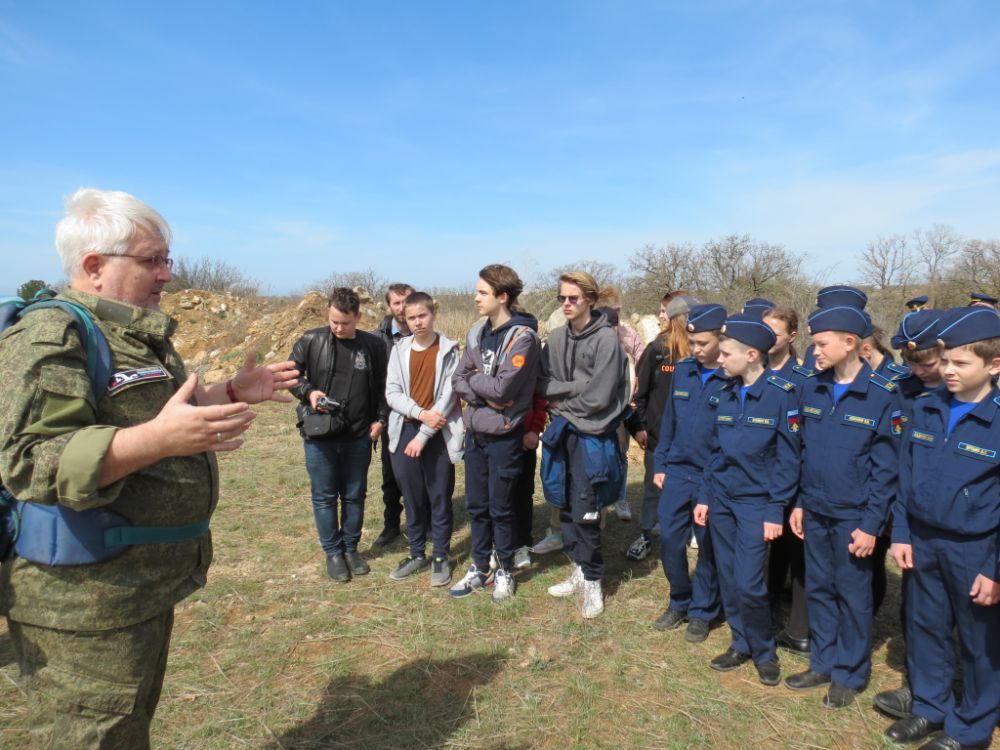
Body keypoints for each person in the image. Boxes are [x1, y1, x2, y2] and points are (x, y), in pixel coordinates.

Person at [0, 187, 299, 748]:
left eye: (168, 259)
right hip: (81, 607)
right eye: (151, 260)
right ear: (93, 267)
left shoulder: (132, 334)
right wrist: (158, 442)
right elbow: (29, 463)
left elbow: (149, 413)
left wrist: (229, 391)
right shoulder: (51, 335)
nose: (167, 274)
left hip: (133, 590)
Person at [885, 307, 1000, 749]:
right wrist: (900, 533)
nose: (948, 370)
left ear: (993, 365)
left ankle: (970, 728)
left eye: (960, 363)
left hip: (977, 548)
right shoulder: (926, 407)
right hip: (923, 540)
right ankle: (931, 708)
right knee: (926, 628)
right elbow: (905, 475)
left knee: (979, 643)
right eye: (946, 360)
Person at [785, 305, 901, 708]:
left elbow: (886, 471)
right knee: (818, 587)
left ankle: (850, 673)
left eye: (820, 343)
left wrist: (872, 525)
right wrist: (799, 502)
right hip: (815, 509)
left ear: (850, 343)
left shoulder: (883, 397)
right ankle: (823, 660)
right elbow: (803, 453)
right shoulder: (811, 388)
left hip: (854, 516)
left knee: (852, 593)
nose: (813, 350)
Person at [693, 313, 800, 686]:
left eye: (725, 354)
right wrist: (705, 495)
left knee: (750, 582)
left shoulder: (782, 396)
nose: (719, 360)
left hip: (757, 503)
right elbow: (715, 453)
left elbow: (789, 460)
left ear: (752, 354)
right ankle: (741, 643)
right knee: (728, 576)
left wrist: (776, 510)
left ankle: (764, 651)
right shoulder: (725, 393)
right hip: (722, 498)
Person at [540, 272, 630, 618]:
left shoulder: (607, 340)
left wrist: (565, 400)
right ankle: (578, 567)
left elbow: (602, 395)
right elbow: (543, 384)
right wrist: (573, 388)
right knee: (564, 502)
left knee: (587, 507)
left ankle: (594, 580)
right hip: (563, 430)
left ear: (590, 301)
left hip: (593, 434)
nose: (566, 303)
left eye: (573, 298)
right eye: (562, 297)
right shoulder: (557, 337)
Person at [871, 307, 946, 722]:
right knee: (920, 609)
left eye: (928, 362)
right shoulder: (899, 388)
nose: (919, 370)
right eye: (911, 361)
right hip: (909, 508)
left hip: (964, 521)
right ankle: (922, 690)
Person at [450, 265, 540, 601]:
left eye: (482, 293)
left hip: (505, 436)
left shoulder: (523, 338)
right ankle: (479, 567)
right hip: (476, 434)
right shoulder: (477, 333)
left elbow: (505, 391)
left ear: (502, 297)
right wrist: (482, 388)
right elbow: (459, 379)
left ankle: (504, 569)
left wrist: (483, 388)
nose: (475, 298)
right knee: (476, 506)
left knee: (501, 508)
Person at [290, 288, 389, 583]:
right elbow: (291, 374)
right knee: (324, 497)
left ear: (358, 317)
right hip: (320, 436)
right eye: (333, 321)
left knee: (355, 496)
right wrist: (309, 392)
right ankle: (333, 552)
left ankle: (350, 549)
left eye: (345, 322)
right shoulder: (311, 340)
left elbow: (385, 386)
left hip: (359, 435)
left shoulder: (373, 345)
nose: (338, 327)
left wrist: (380, 419)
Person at [651, 303, 728, 642]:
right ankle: (679, 598)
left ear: (721, 338)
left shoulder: (732, 377)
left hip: (712, 475)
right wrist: (661, 462)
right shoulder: (683, 370)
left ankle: (703, 610)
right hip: (678, 471)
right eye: (693, 343)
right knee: (669, 538)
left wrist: (713, 483)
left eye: (703, 344)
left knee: (708, 545)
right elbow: (670, 419)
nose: (695, 350)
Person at [384, 292, 464, 587]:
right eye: (411, 317)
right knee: (413, 498)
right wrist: (419, 414)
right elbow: (392, 393)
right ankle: (417, 553)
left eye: (422, 316)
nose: (417, 322)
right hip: (404, 430)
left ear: (433, 314)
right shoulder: (399, 349)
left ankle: (441, 556)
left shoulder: (450, 351)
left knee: (439, 496)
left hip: (438, 434)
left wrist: (423, 434)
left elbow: (447, 399)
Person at [627, 293, 695, 560]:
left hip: (691, 436)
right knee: (653, 486)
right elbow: (640, 393)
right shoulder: (658, 349)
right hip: (658, 435)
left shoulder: (702, 349)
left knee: (691, 486)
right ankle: (646, 533)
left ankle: (689, 530)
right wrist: (641, 427)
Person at [762, 306, 811, 655]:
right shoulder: (752, 370)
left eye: (775, 334)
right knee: (767, 550)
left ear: (792, 337)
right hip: (759, 478)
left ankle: (798, 625)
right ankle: (765, 601)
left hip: (793, 478)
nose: (767, 341)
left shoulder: (803, 378)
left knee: (796, 551)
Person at [372, 282, 415, 548]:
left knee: (418, 473)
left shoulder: (425, 334)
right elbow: (374, 382)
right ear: (389, 306)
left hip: (419, 415)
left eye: (406, 302)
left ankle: (422, 521)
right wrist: (378, 417)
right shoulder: (377, 339)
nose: (401, 308)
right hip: (388, 415)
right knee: (390, 475)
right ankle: (391, 525)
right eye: (396, 303)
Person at [511, 391, 548, 569]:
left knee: (523, 494)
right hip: (496, 438)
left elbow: (540, 401)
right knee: (495, 495)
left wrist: (534, 430)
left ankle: (521, 544)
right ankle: (495, 544)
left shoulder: (533, 364)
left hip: (526, 439)